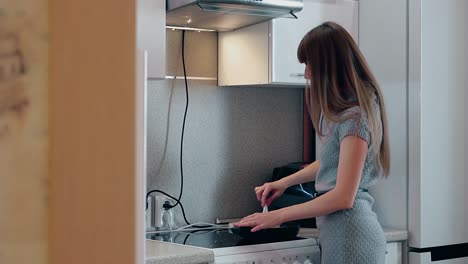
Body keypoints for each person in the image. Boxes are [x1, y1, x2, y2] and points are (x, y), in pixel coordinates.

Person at [234, 21, 390, 264]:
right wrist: (283, 183)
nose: (307, 73)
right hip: (342, 236)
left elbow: (343, 198)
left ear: (329, 65)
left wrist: (278, 216)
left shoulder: (355, 118)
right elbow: (332, 161)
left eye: (309, 64)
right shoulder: (347, 113)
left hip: (353, 239)